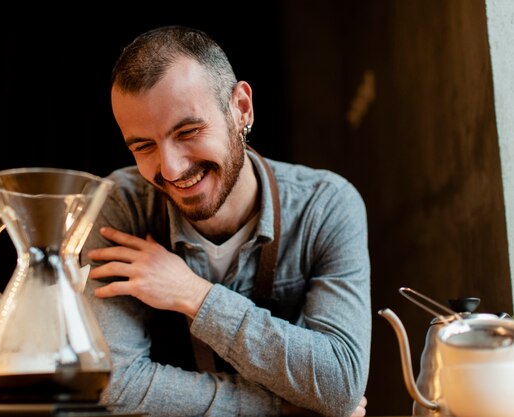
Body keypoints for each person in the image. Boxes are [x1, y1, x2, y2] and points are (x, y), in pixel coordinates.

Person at [81, 25, 371, 417]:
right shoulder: (118, 206)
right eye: (144, 146)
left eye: (188, 131)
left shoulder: (328, 205)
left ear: (241, 109)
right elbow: (112, 385)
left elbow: (339, 382)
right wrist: (285, 407)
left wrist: (195, 295)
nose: (170, 168)